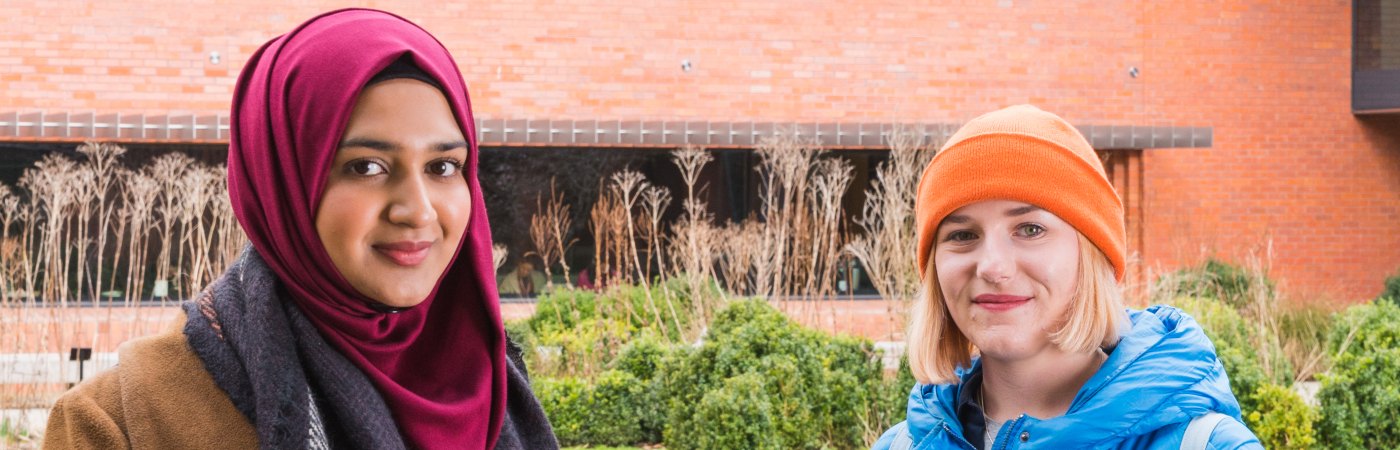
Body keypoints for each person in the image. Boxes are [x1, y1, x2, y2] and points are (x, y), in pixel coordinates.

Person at [43, 9, 558, 450]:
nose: (418, 211)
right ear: (282, 184)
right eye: (367, 166)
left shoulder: (488, 380)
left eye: (443, 167)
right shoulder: (124, 423)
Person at [872, 105, 1262, 449]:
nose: (992, 267)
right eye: (962, 235)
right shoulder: (902, 445)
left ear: (1092, 253)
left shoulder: (1203, 443)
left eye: (1029, 229)